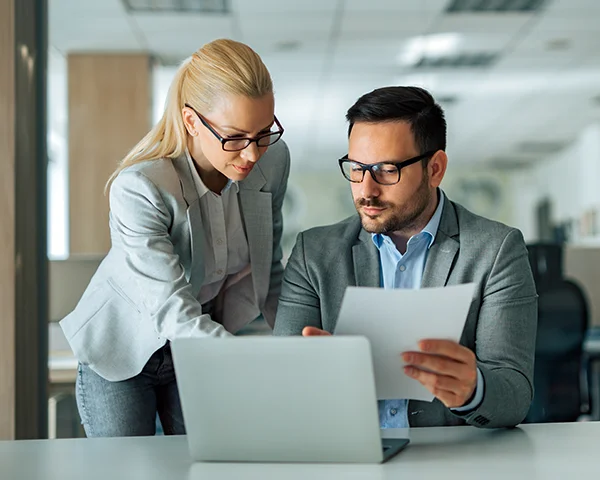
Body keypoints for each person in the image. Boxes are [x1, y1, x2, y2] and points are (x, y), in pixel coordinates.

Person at [60, 39, 290, 437]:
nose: (252, 154)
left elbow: (268, 272)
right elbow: (171, 310)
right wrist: (251, 360)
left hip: (199, 345)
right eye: (235, 137)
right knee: (127, 468)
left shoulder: (273, 161)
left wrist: (296, 350)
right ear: (191, 121)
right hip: (124, 351)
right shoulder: (141, 188)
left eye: (264, 132)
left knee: (209, 462)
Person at [273, 86, 537, 429]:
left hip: (452, 462)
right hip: (349, 457)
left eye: (386, 170)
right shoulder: (314, 253)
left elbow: (514, 396)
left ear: (435, 169)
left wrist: (472, 390)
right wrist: (312, 376)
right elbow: (281, 384)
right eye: (356, 168)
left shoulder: (496, 250)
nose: (366, 189)